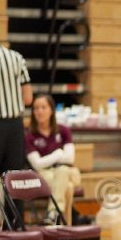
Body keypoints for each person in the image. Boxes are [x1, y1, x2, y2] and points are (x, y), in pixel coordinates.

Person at [25, 93, 82, 225]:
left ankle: (53, 213)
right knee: (67, 187)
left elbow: (70, 158)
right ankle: (62, 227)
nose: (39, 111)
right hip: (45, 174)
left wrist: (48, 160)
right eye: (36, 108)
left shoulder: (64, 130)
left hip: (69, 172)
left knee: (63, 171)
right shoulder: (30, 135)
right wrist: (57, 154)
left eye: (43, 107)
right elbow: (37, 164)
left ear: (51, 110)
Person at [0, 40, 32, 225]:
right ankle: (15, 232)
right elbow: (28, 98)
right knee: (14, 182)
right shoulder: (17, 57)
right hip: (15, 127)